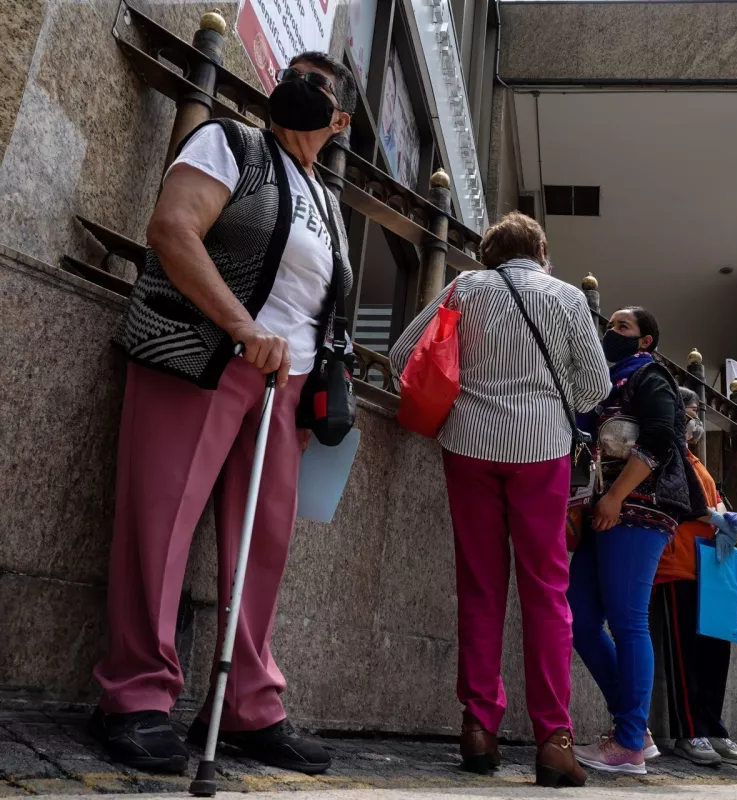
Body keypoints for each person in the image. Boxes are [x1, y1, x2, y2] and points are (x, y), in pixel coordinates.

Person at [90, 52, 359, 776]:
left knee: (263, 545)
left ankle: (248, 703)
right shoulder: (231, 141)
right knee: (161, 519)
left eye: (318, 86)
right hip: (204, 354)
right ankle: (136, 694)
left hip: (289, 387)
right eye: (293, 76)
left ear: (341, 120)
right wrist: (242, 326)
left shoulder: (328, 200)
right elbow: (173, 229)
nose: (297, 89)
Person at [389, 212, 610, 787]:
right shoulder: (566, 298)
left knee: (481, 585)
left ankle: (478, 728)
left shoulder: (465, 287)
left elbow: (401, 356)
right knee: (547, 590)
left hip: (469, 447)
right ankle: (555, 740)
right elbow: (595, 388)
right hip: (542, 452)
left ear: (489, 253)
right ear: (541, 250)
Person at [569, 307, 712, 775]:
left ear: (646, 341)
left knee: (628, 622)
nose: (611, 332)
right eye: (608, 325)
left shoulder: (648, 375)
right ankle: (634, 727)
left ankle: (629, 740)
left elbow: (662, 438)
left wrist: (615, 496)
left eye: (623, 327)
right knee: (580, 618)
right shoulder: (603, 380)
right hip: (602, 508)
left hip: (639, 508)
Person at [650, 387, 737, 767]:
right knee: (686, 653)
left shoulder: (696, 461)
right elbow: (684, 502)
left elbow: (715, 502)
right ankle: (688, 730)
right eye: (690, 412)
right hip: (678, 563)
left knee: (714, 653)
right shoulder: (667, 454)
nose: (695, 421)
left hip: (710, 566)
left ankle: (713, 727)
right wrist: (715, 516)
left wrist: (725, 518)